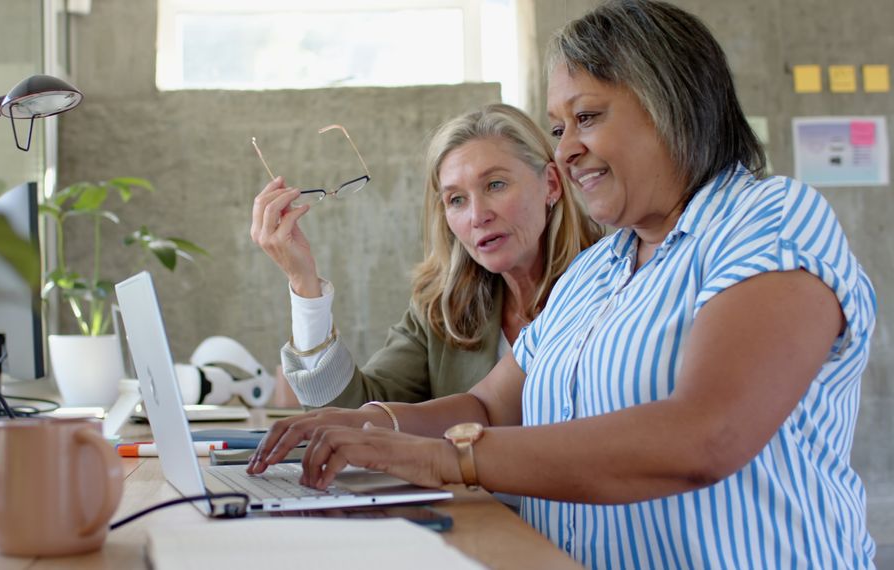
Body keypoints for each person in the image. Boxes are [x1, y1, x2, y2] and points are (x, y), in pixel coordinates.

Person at [248, 1, 878, 567]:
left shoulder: (767, 218)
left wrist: (448, 458)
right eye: (558, 129)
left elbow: (705, 435)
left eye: (587, 117)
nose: (567, 149)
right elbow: (492, 406)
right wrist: (370, 425)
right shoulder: (600, 269)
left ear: (675, 104)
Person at [250, 104, 601, 408]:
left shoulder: (616, 283)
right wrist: (304, 284)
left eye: (495, 185)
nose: (478, 215)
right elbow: (353, 416)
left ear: (551, 184)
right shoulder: (441, 312)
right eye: (456, 200)